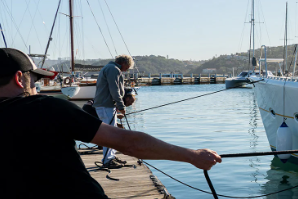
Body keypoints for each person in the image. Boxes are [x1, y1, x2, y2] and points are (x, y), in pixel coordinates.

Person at [0, 48, 221, 198]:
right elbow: (128, 143)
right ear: (20, 79)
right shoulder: (45, 108)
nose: (36, 87)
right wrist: (192, 156)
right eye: (36, 80)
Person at [94, 54, 133, 168]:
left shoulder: (110, 68)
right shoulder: (113, 69)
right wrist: (121, 105)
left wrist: (116, 105)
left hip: (106, 105)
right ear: (124, 63)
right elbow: (114, 89)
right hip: (106, 106)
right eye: (128, 67)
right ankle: (107, 160)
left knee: (112, 132)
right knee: (109, 134)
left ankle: (111, 156)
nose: (127, 69)